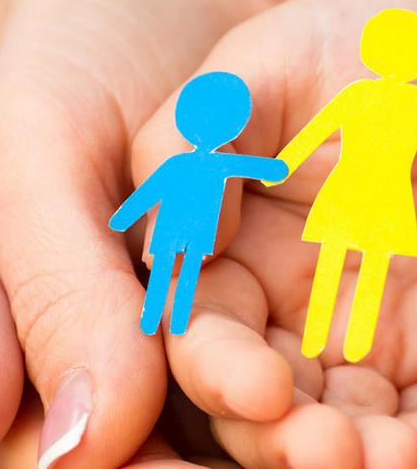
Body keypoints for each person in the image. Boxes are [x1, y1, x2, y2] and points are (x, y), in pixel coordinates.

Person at [273, 8, 417, 363]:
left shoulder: (366, 95)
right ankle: (341, 340)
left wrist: (282, 166)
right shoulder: (414, 101)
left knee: (341, 259)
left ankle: (332, 339)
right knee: (365, 264)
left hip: (360, 190)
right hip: (377, 194)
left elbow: (314, 135)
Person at [109, 71, 288, 336]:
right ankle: (172, 320)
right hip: (193, 227)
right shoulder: (216, 163)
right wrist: (123, 217)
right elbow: (265, 168)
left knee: (172, 268)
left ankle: (161, 319)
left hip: (177, 225)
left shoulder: (181, 162)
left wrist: (123, 218)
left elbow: (150, 191)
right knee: (185, 269)